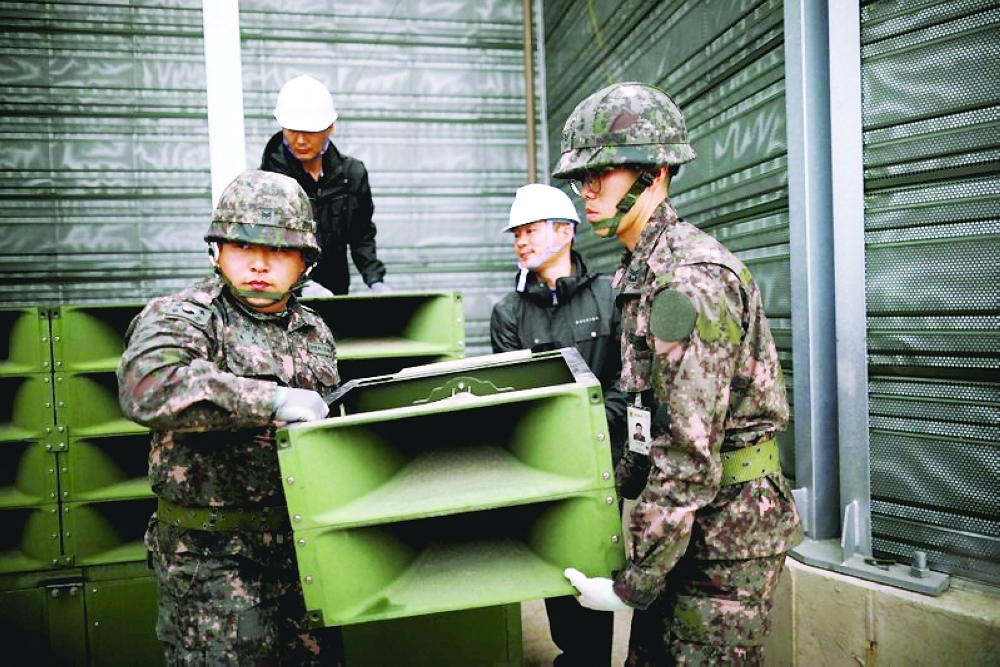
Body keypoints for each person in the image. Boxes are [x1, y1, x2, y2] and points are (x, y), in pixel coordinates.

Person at [556, 82, 804, 665]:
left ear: (656, 173)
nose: (586, 191)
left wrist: (633, 583)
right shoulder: (641, 272)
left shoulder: (688, 282)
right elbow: (649, 423)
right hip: (686, 528)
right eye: (580, 179)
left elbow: (687, 453)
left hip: (724, 537)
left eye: (605, 173)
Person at [117, 170, 344, 665]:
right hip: (212, 564)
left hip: (303, 555)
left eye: (280, 250)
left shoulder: (314, 330)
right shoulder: (183, 315)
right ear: (217, 250)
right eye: (243, 245)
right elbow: (148, 386)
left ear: (305, 260)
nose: (260, 263)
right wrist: (271, 401)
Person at [489, 182, 627, 667]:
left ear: (566, 231)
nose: (520, 241)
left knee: (596, 575)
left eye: (530, 230)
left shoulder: (609, 295)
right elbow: (514, 399)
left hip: (601, 464)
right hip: (544, 470)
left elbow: (624, 380)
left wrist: (592, 426)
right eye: (515, 234)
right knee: (560, 580)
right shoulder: (509, 313)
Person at [260, 74, 389, 295]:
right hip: (284, 298)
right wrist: (301, 285)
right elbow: (267, 245)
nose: (300, 140)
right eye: (292, 130)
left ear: (330, 128)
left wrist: (375, 280)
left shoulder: (351, 175)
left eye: (309, 131)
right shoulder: (268, 181)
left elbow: (361, 235)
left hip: (335, 291)